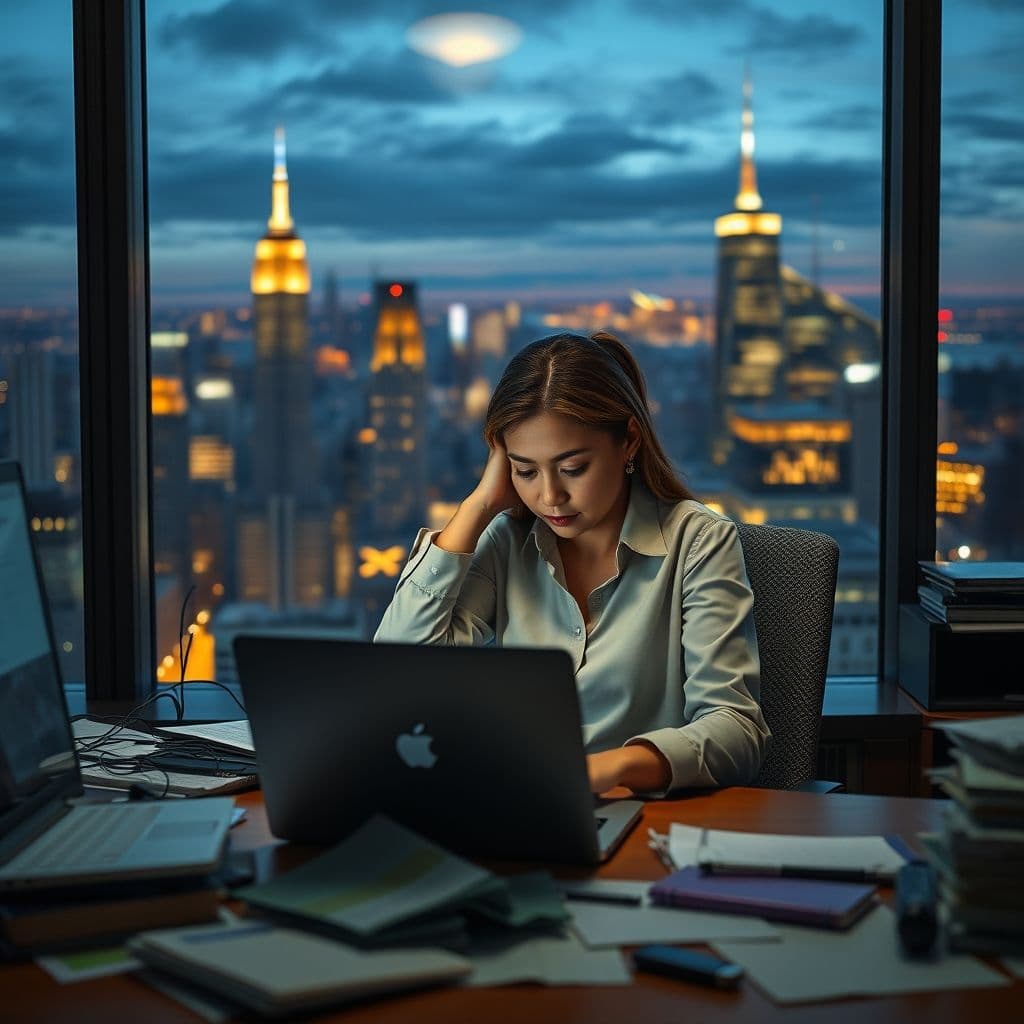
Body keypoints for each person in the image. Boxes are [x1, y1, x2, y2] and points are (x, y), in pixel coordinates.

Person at [375, 331, 770, 795]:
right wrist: (479, 505)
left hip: (640, 818)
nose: (549, 496)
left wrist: (610, 768)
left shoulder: (698, 542)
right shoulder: (506, 541)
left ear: (629, 441)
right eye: (524, 471)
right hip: (515, 806)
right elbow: (395, 673)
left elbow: (736, 729)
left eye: (573, 468)